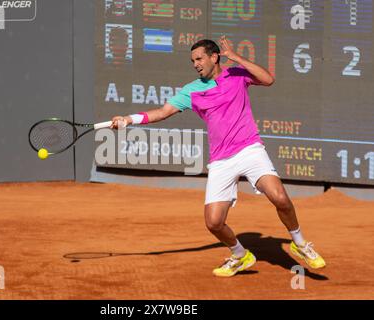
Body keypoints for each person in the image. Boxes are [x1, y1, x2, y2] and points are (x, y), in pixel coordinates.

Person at [110, 37, 326, 277]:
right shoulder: (191, 90)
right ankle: (240, 255)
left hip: (249, 149)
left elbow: (268, 79)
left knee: (280, 197)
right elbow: (162, 112)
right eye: (192, 60)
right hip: (221, 160)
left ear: (215, 57)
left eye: (199, 58)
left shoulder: (236, 74)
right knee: (213, 223)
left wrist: (237, 58)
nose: (195, 64)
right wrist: (129, 119)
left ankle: (299, 242)